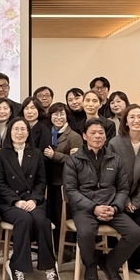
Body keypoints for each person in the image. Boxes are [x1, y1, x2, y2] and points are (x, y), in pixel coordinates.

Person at [63, 118, 140, 280]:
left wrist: (115, 207)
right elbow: (71, 191)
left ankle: (110, 264)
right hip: (85, 209)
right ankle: (90, 266)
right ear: (84, 136)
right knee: (86, 233)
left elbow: (123, 188)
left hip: (110, 207)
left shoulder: (115, 159)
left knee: (136, 233)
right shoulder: (73, 160)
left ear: (106, 137)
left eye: (101, 133)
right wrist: (93, 207)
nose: (97, 136)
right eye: (93, 133)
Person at [0, 117, 60, 280]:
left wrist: (33, 200)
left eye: (23, 129)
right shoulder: (1, 154)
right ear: (9, 132)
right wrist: (16, 201)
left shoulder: (36, 153)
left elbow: (41, 181)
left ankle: (50, 266)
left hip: (33, 200)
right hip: (10, 202)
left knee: (42, 221)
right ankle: (17, 266)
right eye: (15, 129)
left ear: (28, 132)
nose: (19, 132)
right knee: (23, 220)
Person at [108, 104, 140, 274]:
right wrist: (126, 200)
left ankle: (136, 259)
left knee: (139, 226)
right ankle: (117, 259)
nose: (136, 120)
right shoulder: (115, 143)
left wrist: (136, 201)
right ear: (126, 121)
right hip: (116, 193)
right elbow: (112, 174)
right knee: (119, 226)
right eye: (132, 117)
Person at [42, 102, 83, 254]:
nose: (58, 117)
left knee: (63, 217)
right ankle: (52, 249)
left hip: (64, 183)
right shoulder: (48, 133)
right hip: (50, 182)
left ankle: (66, 250)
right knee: (51, 216)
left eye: (62, 114)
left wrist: (55, 155)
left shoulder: (74, 136)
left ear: (67, 116)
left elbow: (77, 162)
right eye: (55, 114)